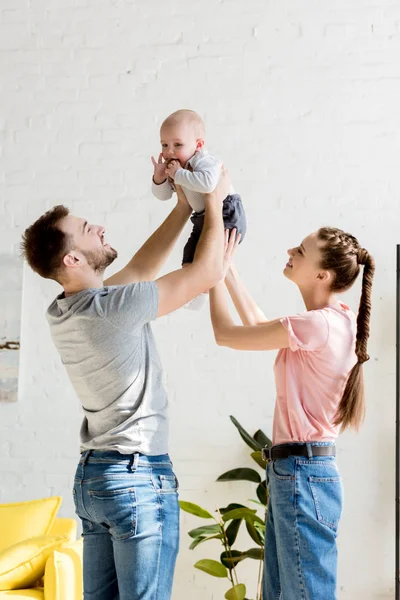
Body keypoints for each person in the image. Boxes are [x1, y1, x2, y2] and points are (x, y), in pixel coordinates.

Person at [20, 173, 229, 600]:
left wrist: (181, 208)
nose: (99, 227)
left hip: (96, 481)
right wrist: (215, 198)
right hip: (136, 478)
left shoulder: (64, 311)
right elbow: (206, 272)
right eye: (85, 230)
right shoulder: (112, 309)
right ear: (74, 261)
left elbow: (139, 270)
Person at [209, 227, 375, 600]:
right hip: (299, 474)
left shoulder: (318, 325)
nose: (290, 250)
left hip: (302, 475)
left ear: (322, 275)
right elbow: (257, 327)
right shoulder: (335, 320)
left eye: (301, 250)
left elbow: (226, 334)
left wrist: (210, 275)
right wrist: (227, 270)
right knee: (285, 593)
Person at [152, 109, 246, 310]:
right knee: (190, 256)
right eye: (164, 145)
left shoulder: (205, 161)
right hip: (202, 217)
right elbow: (164, 196)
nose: (169, 151)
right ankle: (195, 295)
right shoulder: (176, 168)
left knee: (209, 259)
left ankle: (202, 292)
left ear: (198, 145)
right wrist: (160, 178)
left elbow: (208, 185)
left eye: (178, 145)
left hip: (227, 212)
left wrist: (178, 174)